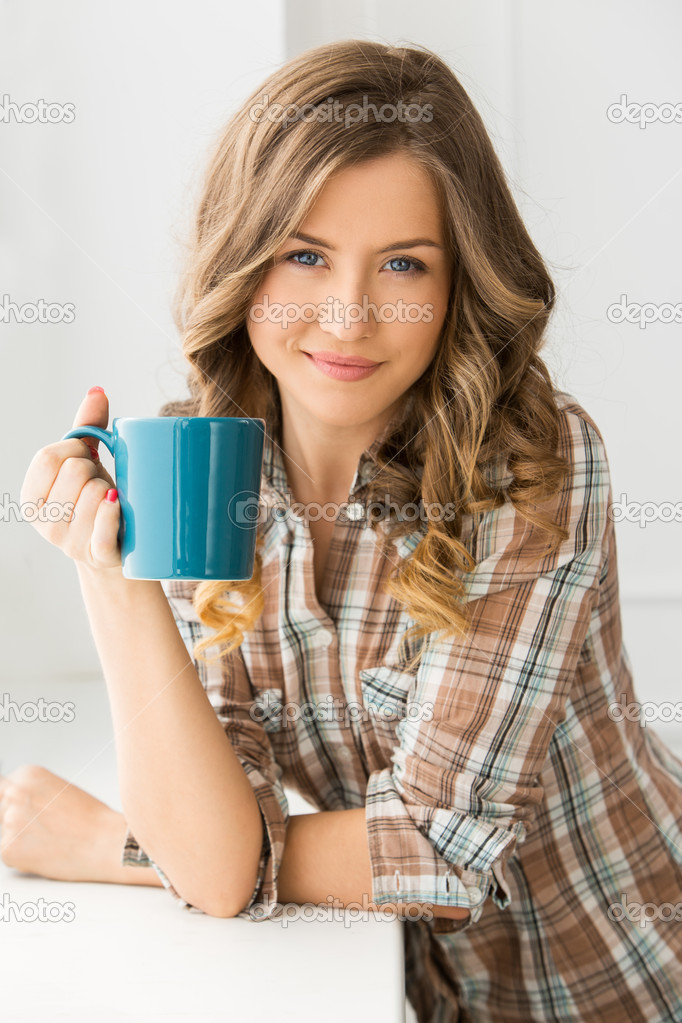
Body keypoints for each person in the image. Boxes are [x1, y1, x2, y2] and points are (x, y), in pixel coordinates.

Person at [5, 38, 682, 1023]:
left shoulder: (534, 464)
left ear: (457, 283)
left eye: (403, 263)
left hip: (619, 986)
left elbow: (436, 853)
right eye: (305, 255)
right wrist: (109, 573)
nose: (350, 314)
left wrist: (117, 846)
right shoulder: (204, 469)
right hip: (406, 991)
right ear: (243, 264)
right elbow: (217, 863)